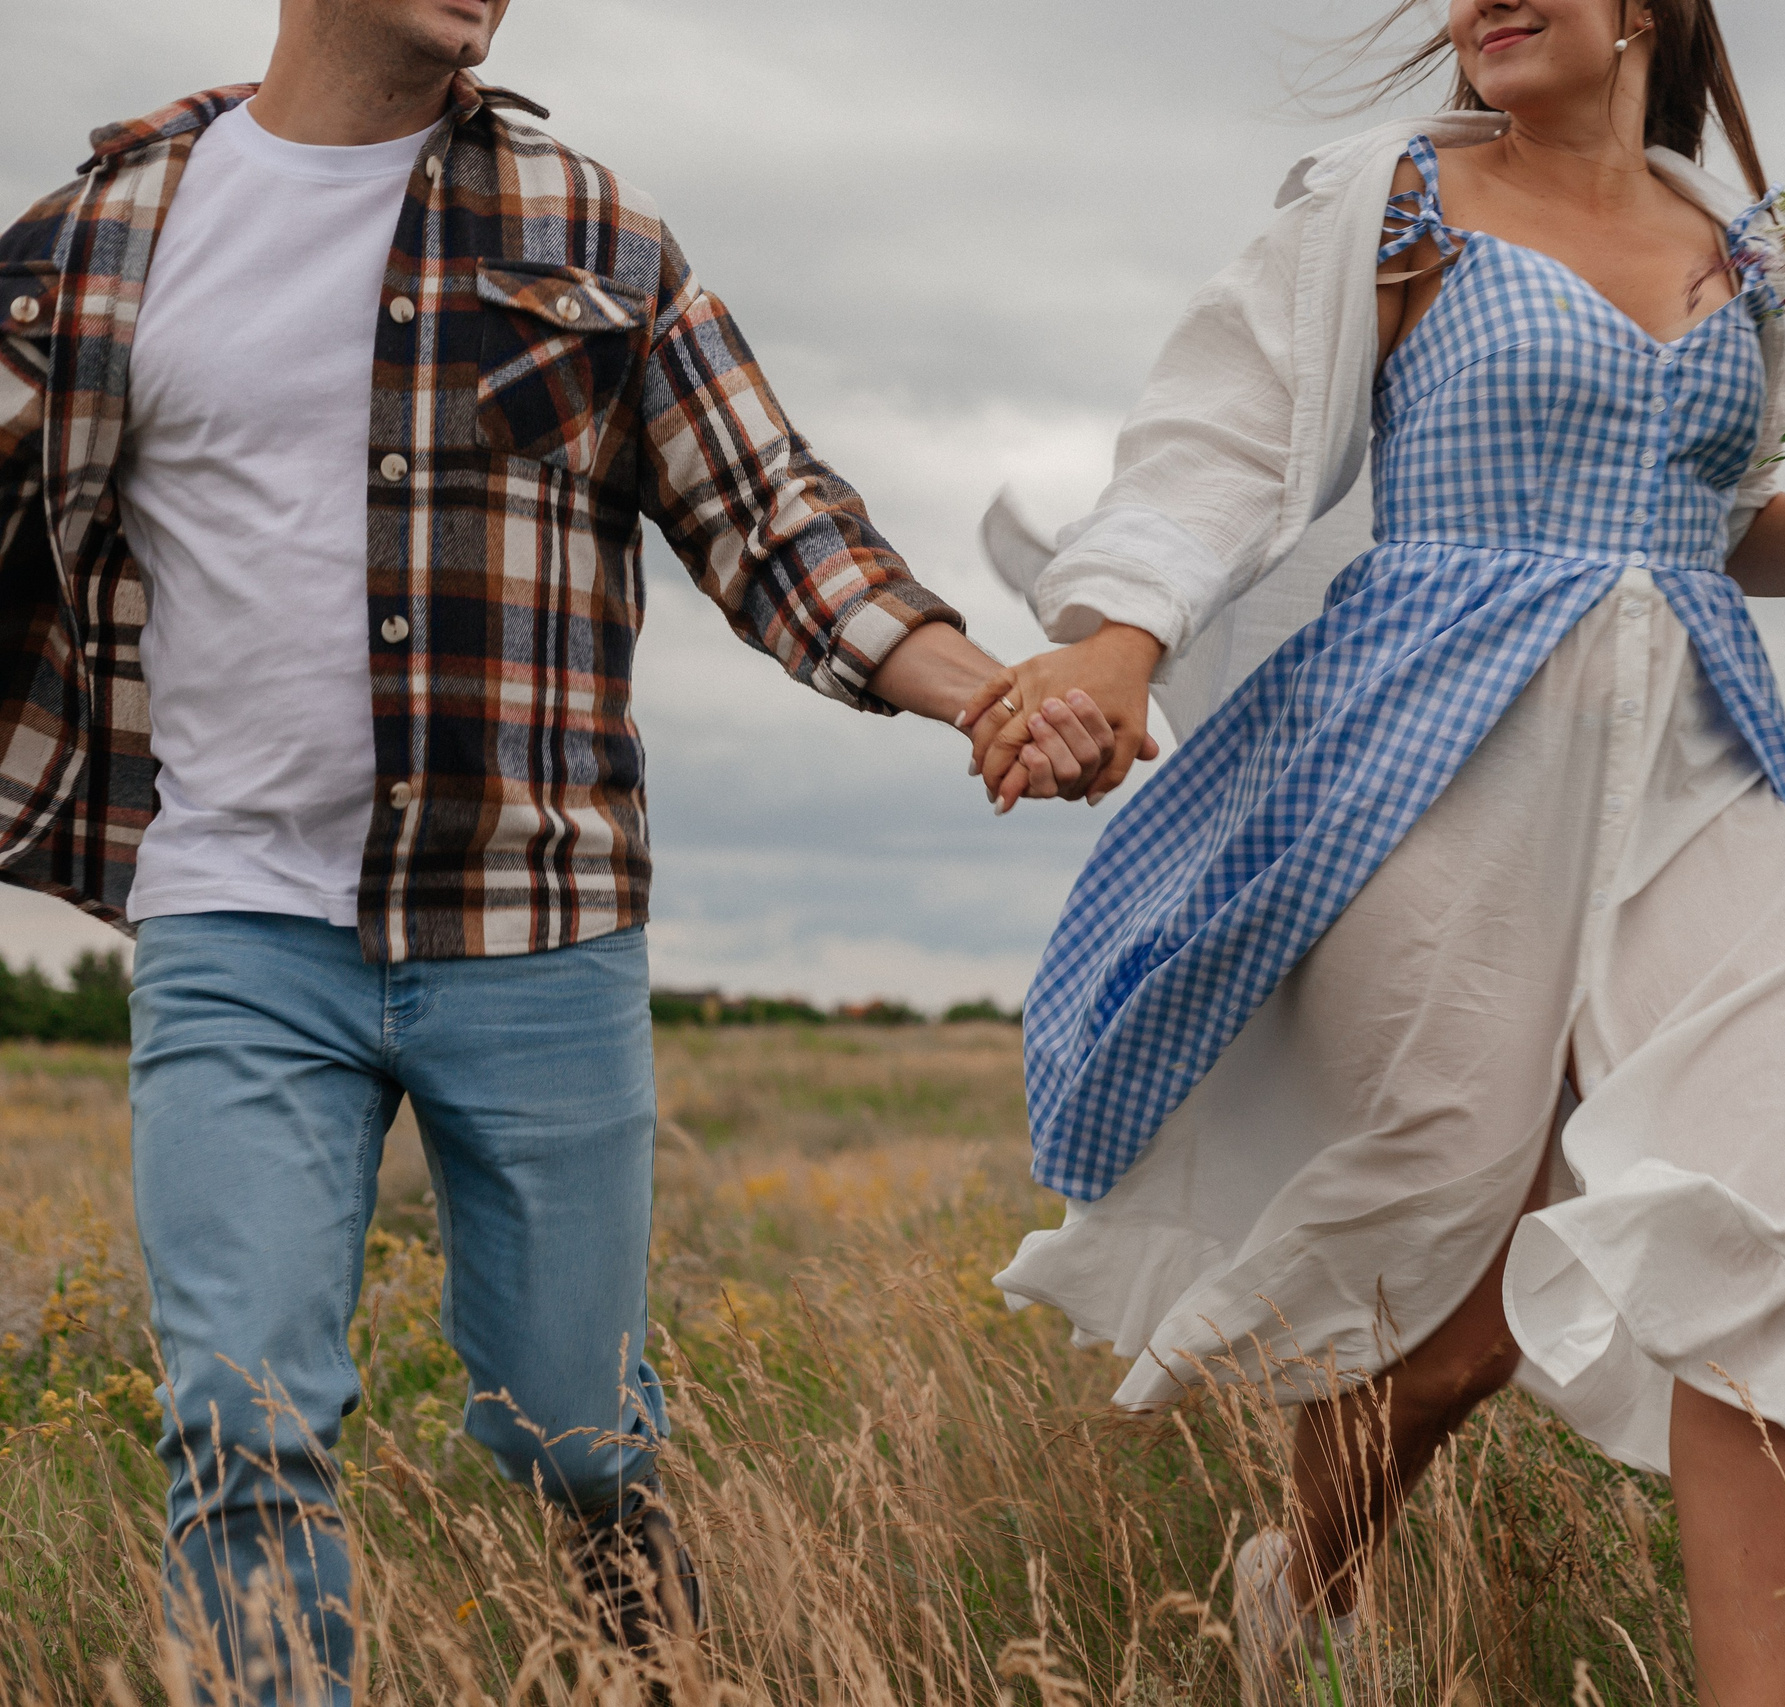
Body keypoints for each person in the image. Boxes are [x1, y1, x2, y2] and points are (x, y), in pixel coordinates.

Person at [0, 0, 1121, 1695]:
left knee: (573, 1431)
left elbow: (771, 515)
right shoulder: (102, 235)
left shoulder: (589, 231)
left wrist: (985, 694)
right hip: (233, 915)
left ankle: (651, 1665)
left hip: (534, 917)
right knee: (238, 1417)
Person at [968, 2, 1785, 1700]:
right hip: (1432, 755)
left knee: (1779, 1240)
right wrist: (1114, 646)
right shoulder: (1392, 206)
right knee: (1450, 1319)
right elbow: (1221, 455)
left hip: (1701, 762)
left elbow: (1719, 516)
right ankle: (1299, 1607)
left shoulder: (1738, 248)